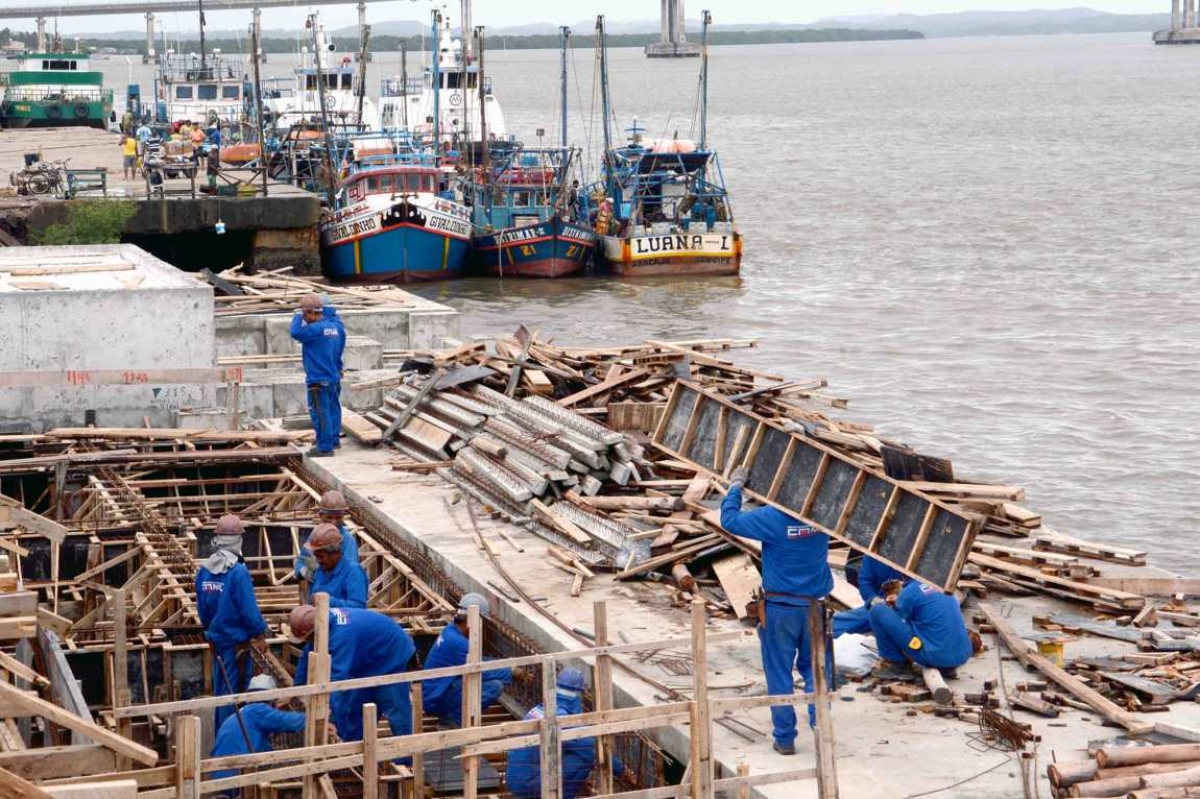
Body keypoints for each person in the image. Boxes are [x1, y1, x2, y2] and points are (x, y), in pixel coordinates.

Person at [721, 466, 832, 756]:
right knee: (816, 670)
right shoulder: (825, 518)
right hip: (814, 608)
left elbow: (729, 520)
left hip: (781, 609)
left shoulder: (772, 518)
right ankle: (821, 728)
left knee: (780, 673)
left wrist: (735, 486)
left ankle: (785, 739)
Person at [290, 604, 415, 742]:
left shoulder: (341, 636)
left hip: (391, 657)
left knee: (396, 711)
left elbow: (338, 681)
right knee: (356, 712)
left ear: (314, 631)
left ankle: (407, 759)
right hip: (368, 660)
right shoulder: (322, 623)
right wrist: (295, 691)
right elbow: (308, 654)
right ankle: (354, 753)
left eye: (308, 637)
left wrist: (329, 717)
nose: (308, 641)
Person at [506, 668, 631, 799]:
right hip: (529, 784)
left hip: (515, 781)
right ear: (577, 694)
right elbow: (593, 750)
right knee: (585, 756)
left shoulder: (539, 709)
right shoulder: (562, 719)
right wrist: (621, 770)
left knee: (572, 748)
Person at [195, 514, 268, 730]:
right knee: (233, 694)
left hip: (217, 641)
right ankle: (231, 739)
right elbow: (248, 610)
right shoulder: (238, 572)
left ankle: (222, 734)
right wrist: (260, 634)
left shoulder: (205, 571)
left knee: (221, 690)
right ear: (238, 540)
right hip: (236, 646)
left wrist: (210, 633)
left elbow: (202, 608)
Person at [422, 593, 513, 727]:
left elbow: (478, 659)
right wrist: (511, 671)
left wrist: (505, 664)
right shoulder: (458, 643)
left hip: (436, 691)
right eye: (481, 621)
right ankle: (452, 721)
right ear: (473, 619)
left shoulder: (450, 630)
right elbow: (481, 669)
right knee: (494, 687)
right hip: (436, 699)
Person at [210, 674, 305, 785]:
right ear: (272, 699)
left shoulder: (241, 714)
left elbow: (263, 748)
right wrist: (313, 716)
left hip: (218, 777)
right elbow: (289, 721)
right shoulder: (258, 711)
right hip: (234, 777)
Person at [869, 579, 975, 677]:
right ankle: (946, 667)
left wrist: (892, 604)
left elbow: (899, 621)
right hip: (963, 654)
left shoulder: (911, 591)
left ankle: (897, 666)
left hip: (934, 656)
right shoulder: (944, 585)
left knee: (877, 610)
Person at [289, 293, 344, 457]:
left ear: (312, 312)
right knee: (332, 409)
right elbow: (338, 350)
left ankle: (325, 447)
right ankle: (332, 439)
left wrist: (297, 315)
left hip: (318, 379)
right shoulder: (333, 327)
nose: (304, 319)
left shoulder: (315, 330)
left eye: (305, 314)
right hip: (331, 376)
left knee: (320, 413)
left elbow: (295, 332)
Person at [832, 555, 907, 637]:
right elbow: (865, 582)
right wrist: (873, 599)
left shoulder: (917, 555)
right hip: (884, 605)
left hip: (911, 607)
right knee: (841, 623)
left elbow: (919, 588)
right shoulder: (875, 552)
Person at [294, 490, 360, 582]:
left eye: (338, 518)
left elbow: (349, 575)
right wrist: (302, 571)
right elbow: (301, 560)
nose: (334, 522)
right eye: (329, 517)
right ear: (320, 515)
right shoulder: (316, 535)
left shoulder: (348, 541)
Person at [307, 523, 368, 608]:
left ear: (335, 553)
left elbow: (359, 607)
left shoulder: (353, 572)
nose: (318, 560)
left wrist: (329, 602)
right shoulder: (320, 570)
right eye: (316, 556)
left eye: (321, 557)